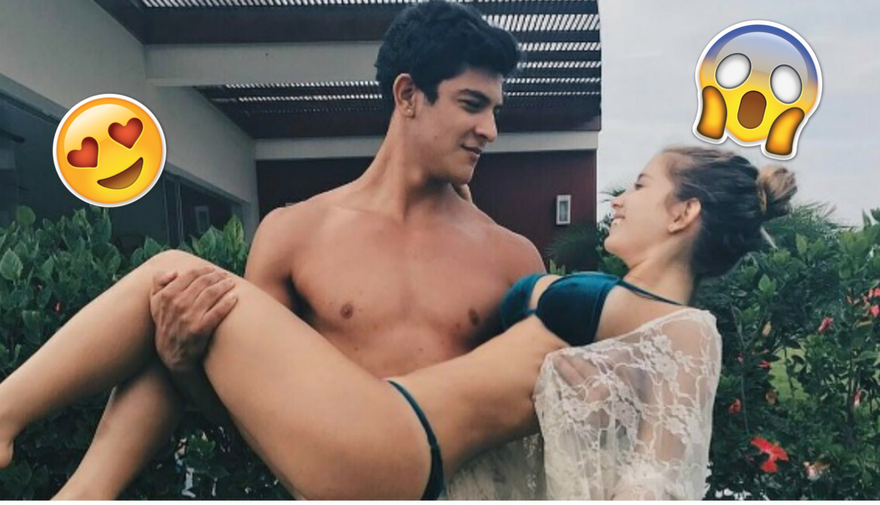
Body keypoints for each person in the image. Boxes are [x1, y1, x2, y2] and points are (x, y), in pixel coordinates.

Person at [0, 142, 797, 499]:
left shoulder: (685, 329)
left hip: (400, 442)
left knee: (173, 270)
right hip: (391, 434)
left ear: (683, 213)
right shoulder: (604, 299)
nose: (620, 198)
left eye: (643, 185)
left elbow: (659, 479)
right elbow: (526, 318)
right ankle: (80, 495)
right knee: (184, 308)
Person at [32, 1, 544, 499]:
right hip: (333, 485)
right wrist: (182, 363)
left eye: (494, 110)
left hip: (455, 487)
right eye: (472, 104)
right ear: (408, 94)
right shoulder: (294, 234)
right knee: (184, 302)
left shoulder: (510, 257)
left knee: (175, 281)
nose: (490, 130)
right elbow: (254, 420)